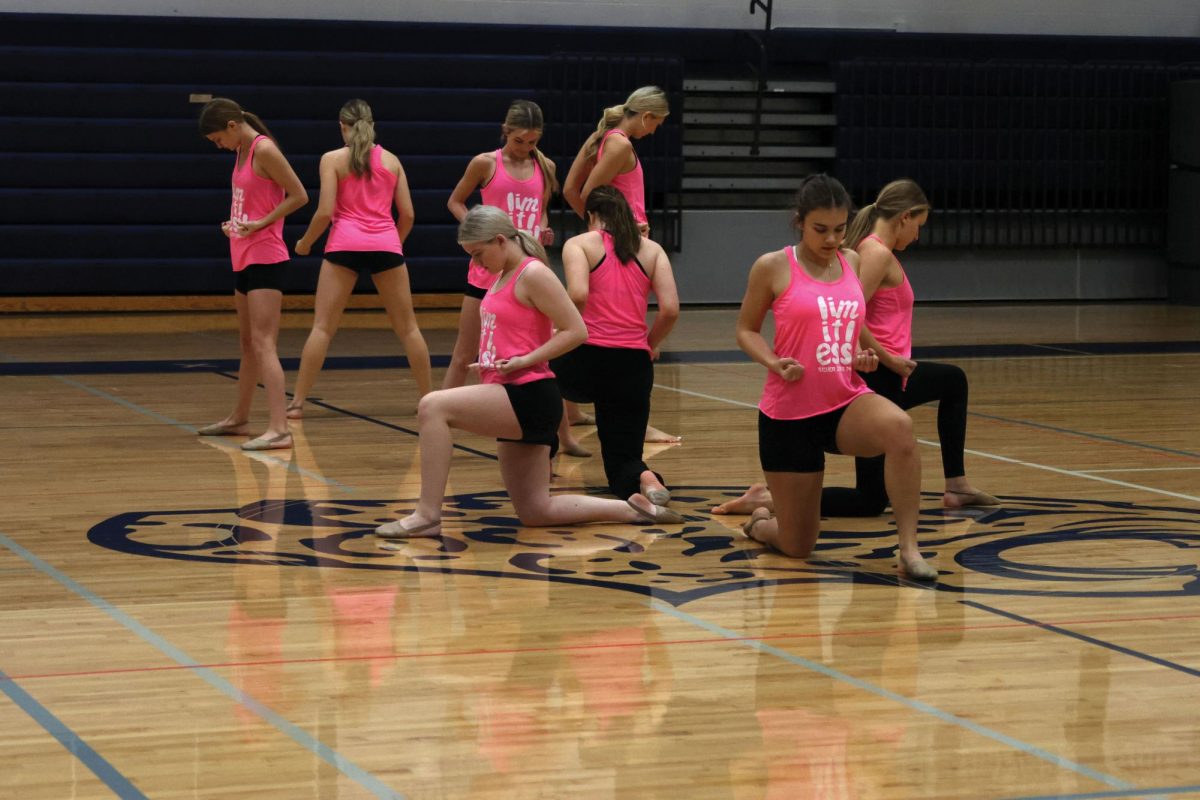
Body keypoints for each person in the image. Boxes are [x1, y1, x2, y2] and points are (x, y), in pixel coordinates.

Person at [374, 206, 682, 539]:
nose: (476, 263)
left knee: (432, 406)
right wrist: (494, 361)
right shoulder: (502, 275)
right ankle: (635, 509)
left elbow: (576, 330)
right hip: (514, 394)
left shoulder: (533, 273)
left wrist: (525, 360)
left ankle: (427, 515)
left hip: (530, 395)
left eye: (478, 254)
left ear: (501, 240)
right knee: (536, 511)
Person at [713, 178, 997, 517]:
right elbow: (841, 313)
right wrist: (885, 357)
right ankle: (773, 501)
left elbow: (847, 311)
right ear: (904, 217)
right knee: (870, 499)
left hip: (871, 369)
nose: (917, 236)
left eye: (838, 229)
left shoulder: (860, 254)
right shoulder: (872, 253)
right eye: (917, 225)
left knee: (875, 492)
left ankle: (945, 498)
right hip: (870, 374)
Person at [733, 174, 937, 580]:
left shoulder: (854, 262)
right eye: (820, 230)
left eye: (839, 229)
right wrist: (774, 362)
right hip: (788, 416)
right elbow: (746, 330)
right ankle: (760, 522)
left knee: (900, 428)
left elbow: (853, 323)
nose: (830, 239)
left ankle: (910, 550)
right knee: (797, 546)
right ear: (800, 222)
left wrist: (871, 356)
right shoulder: (773, 266)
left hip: (843, 400)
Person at [288, 99, 432, 417]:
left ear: (342, 126)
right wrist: (393, 241)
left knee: (323, 327)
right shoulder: (392, 161)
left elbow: (325, 211)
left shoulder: (332, 159)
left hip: (344, 245)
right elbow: (407, 214)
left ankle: (297, 403)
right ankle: (429, 401)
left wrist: (305, 242)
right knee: (408, 328)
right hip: (386, 245)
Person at [562, 86, 678, 444]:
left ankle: (571, 419)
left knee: (595, 323)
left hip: (614, 241)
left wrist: (598, 232)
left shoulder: (599, 138)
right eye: (656, 123)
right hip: (627, 244)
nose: (655, 130)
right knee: (625, 327)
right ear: (646, 116)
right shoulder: (621, 144)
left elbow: (569, 190)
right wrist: (617, 231)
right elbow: (589, 196)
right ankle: (633, 421)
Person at [550, 187, 679, 503]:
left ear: (591, 216)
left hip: (582, 361)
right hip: (631, 365)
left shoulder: (579, 244)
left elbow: (578, 294)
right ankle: (646, 479)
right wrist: (648, 344)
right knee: (623, 462)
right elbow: (671, 309)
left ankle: (543, 455)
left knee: (537, 379)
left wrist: (558, 330)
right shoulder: (652, 250)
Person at [196, 98, 308, 450]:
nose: (219, 146)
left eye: (218, 139)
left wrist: (260, 223)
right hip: (243, 253)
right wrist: (235, 223)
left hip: (266, 255)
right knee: (247, 344)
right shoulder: (241, 151)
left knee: (263, 343)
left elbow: (300, 195)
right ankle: (239, 417)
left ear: (232, 125)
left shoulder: (265, 149)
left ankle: (279, 429)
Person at [443, 99, 557, 391]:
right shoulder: (486, 163)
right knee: (465, 353)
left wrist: (543, 227)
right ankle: (439, 409)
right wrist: (477, 231)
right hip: (487, 270)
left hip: (527, 270)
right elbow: (455, 201)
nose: (525, 147)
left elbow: (541, 209)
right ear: (505, 131)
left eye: (533, 141)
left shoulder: (546, 166)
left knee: (535, 353)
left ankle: (556, 421)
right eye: (519, 140)